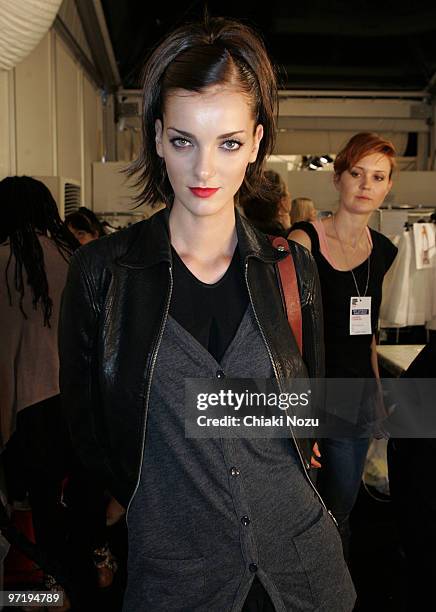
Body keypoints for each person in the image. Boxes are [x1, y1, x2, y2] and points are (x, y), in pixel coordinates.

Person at [59, 17, 356, 612]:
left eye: (227, 143)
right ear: (157, 137)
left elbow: (307, 400)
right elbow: (92, 435)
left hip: (303, 570)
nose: (204, 171)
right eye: (183, 141)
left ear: (255, 143)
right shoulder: (103, 274)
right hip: (177, 574)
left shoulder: (290, 268)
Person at [289, 132, 398, 557]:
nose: (366, 184)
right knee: (299, 510)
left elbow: (367, 332)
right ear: (338, 178)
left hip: (352, 401)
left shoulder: (385, 251)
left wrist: (375, 392)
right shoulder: (303, 242)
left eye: (377, 176)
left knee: (340, 511)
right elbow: (281, 333)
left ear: (388, 187)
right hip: (306, 397)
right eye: (356, 173)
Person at [0, 176, 77, 607]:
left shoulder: (5, 261)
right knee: (69, 504)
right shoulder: (72, 256)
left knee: (39, 506)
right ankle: (73, 581)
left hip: (28, 401)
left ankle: (51, 589)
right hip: (76, 399)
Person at [240, 169, 291, 236]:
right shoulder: (286, 240)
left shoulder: (241, 234)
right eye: (287, 193)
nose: (289, 196)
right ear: (281, 202)